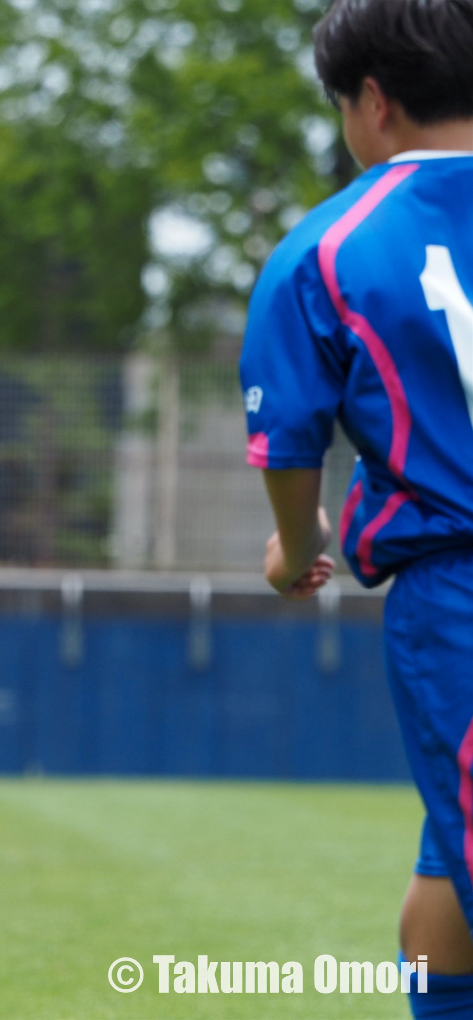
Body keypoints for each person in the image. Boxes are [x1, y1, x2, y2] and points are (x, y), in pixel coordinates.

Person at [238, 0, 473, 1014]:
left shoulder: (325, 249)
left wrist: (298, 547)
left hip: (456, 599)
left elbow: (288, 443)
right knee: (445, 855)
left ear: (370, 101)